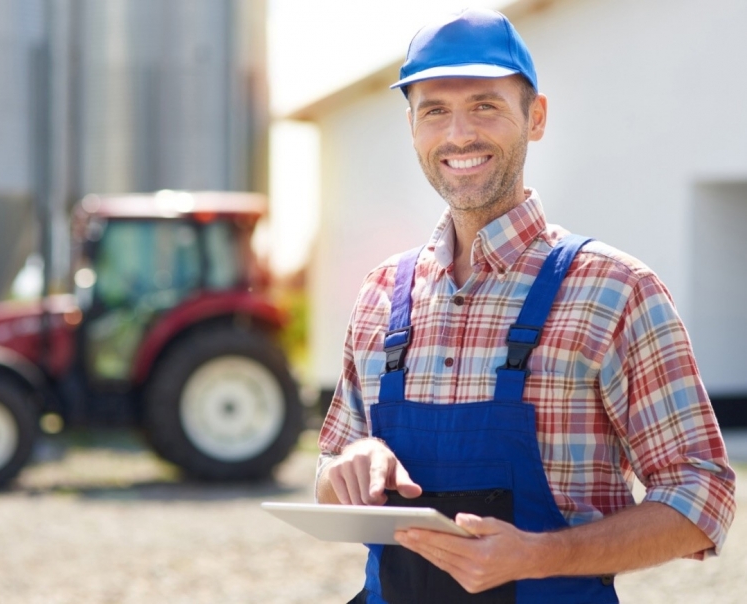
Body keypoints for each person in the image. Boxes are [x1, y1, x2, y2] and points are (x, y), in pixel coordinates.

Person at [315, 7, 736, 604]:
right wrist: (348, 465)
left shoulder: (615, 291)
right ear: (411, 126)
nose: (459, 134)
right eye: (435, 110)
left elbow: (703, 498)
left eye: (485, 105)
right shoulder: (383, 292)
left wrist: (541, 556)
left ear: (535, 117)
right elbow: (329, 475)